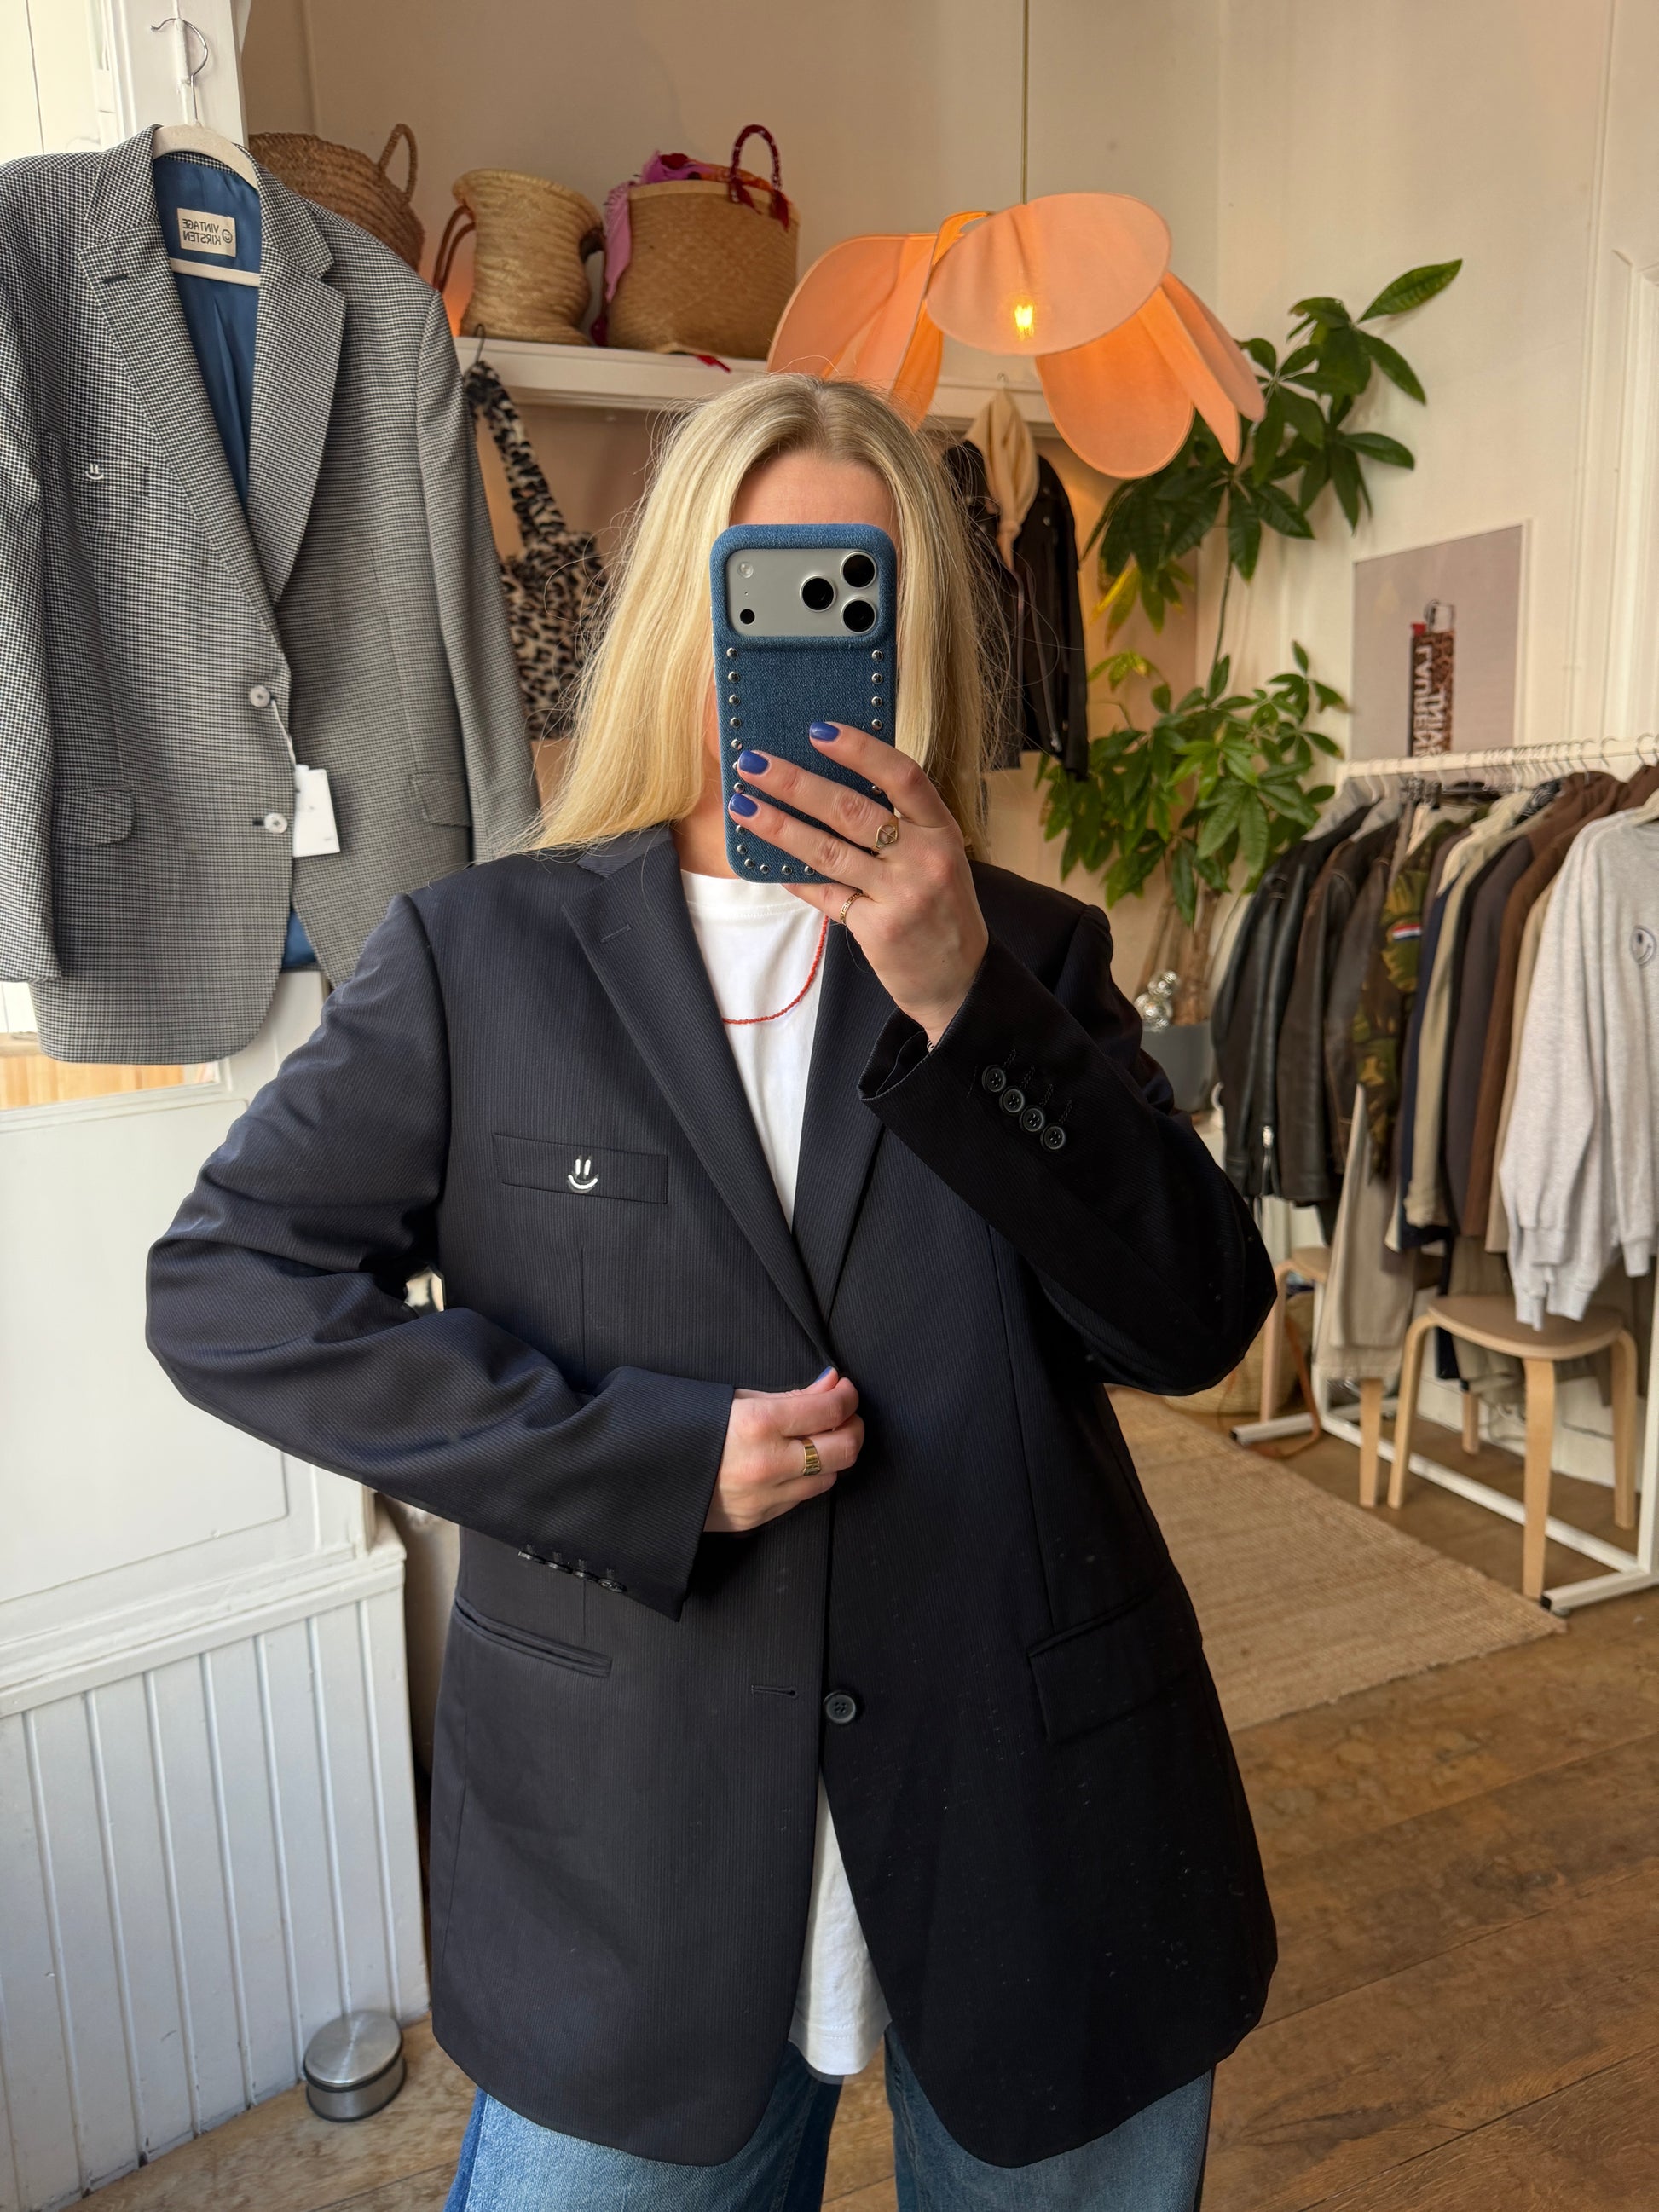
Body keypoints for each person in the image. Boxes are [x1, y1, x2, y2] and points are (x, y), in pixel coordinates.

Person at [147, 373, 1276, 2210]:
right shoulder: (481, 957)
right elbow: (229, 1289)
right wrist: (638, 1460)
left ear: (914, 643)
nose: (810, 642)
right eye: (767, 588)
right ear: (684, 611)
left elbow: (1195, 1319)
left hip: (1033, 1814)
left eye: (856, 593)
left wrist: (963, 999)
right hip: (628, 1853)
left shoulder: (1028, 955)